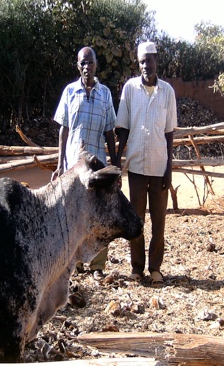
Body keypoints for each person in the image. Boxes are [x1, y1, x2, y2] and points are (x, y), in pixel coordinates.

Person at [52, 46, 118, 281]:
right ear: (77, 66)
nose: (87, 67)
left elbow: (110, 131)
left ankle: (98, 265)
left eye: (90, 62)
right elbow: (64, 130)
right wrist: (60, 163)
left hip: (98, 164)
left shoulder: (105, 94)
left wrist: (115, 163)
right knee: (74, 214)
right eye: (82, 63)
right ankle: (76, 264)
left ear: (96, 64)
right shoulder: (70, 92)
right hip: (74, 166)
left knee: (98, 214)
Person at [115, 41, 177, 287]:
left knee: (159, 222)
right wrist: (119, 160)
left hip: (159, 167)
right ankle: (136, 268)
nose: (145, 65)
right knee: (136, 220)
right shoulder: (130, 89)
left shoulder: (167, 92)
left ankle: (155, 269)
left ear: (156, 61)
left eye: (149, 60)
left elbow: (170, 132)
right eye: (141, 62)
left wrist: (169, 167)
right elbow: (124, 128)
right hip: (137, 167)